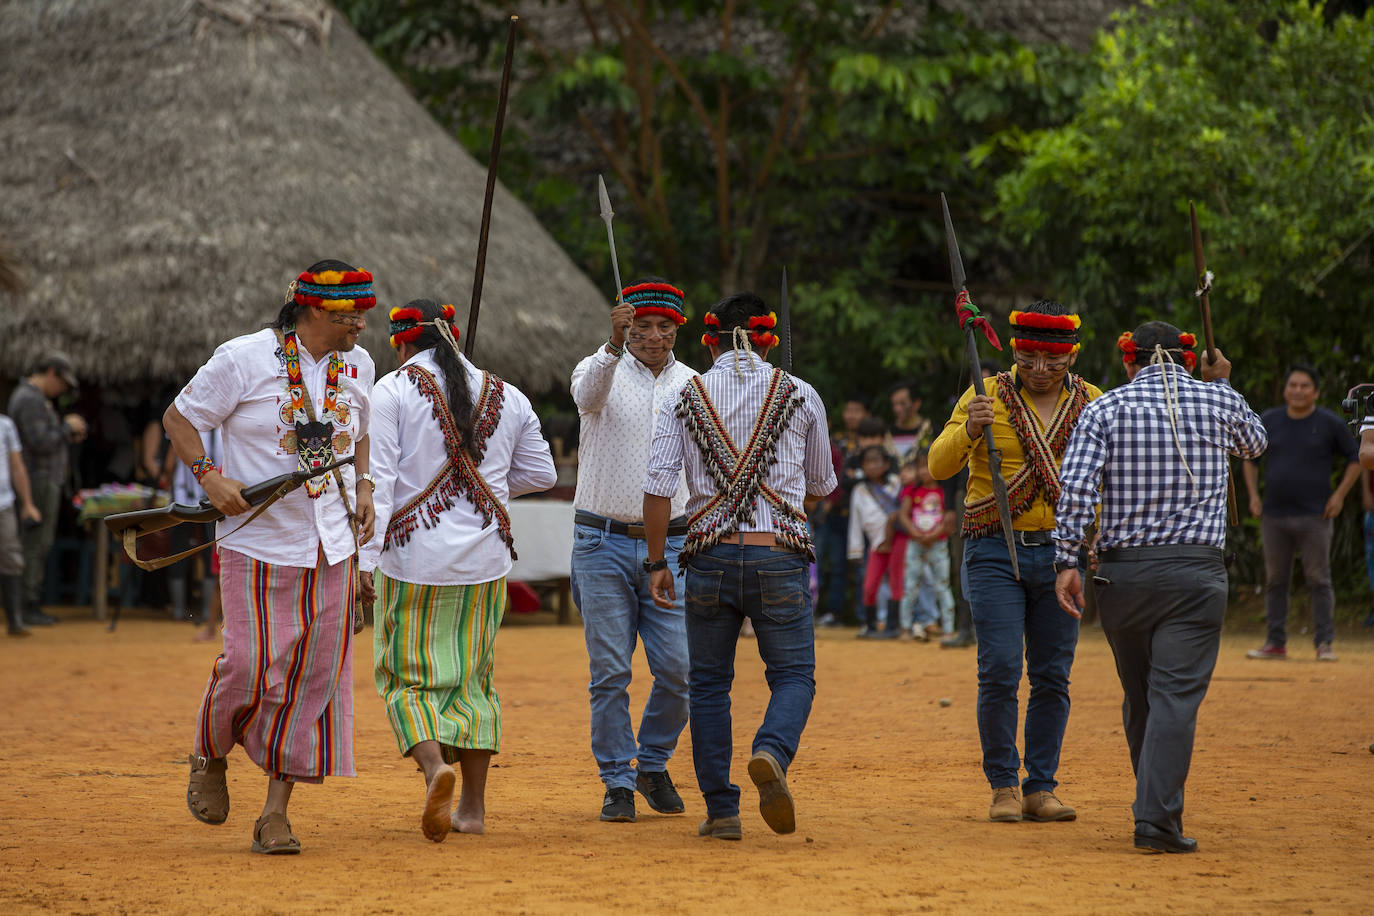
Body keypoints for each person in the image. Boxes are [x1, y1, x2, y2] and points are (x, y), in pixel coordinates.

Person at [164, 260, 376, 855]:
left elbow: (360, 433)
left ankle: (275, 814)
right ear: (312, 311)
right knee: (250, 666)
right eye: (349, 313)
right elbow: (178, 419)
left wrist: (364, 489)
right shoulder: (242, 358)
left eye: (363, 310)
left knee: (313, 681)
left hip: (333, 545)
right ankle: (210, 751)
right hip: (257, 542)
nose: (361, 321)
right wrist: (209, 477)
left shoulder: (359, 363)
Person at [1054, 323, 1267, 854]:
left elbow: (1076, 490)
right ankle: (1155, 818)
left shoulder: (1104, 409)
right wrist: (1224, 384)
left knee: (1142, 695)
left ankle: (1153, 807)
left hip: (1122, 577)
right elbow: (1257, 443)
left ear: (1131, 362)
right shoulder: (1215, 400)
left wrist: (1066, 560)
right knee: (1172, 698)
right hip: (1196, 576)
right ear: (1188, 361)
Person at [644, 292, 836, 841]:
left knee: (707, 685)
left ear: (710, 341)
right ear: (768, 339)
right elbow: (821, 486)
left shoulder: (686, 394)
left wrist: (658, 562)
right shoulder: (800, 395)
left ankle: (722, 811)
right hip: (778, 555)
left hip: (708, 557)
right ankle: (771, 750)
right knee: (794, 675)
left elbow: (657, 491)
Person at [363, 298, 556, 842]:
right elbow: (540, 473)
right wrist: (486, 486)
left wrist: (364, 565)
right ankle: (472, 808)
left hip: (412, 561)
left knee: (406, 678)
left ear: (400, 343)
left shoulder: (393, 390)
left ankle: (433, 769)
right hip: (487, 560)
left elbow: (374, 484)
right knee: (473, 682)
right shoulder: (507, 393)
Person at [929, 300, 1102, 824]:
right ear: (1014, 351)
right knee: (1000, 668)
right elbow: (939, 464)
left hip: (1061, 555)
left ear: (1071, 356)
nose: (1040, 370)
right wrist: (968, 430)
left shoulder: (1094, 401)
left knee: (1052, 675)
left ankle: (1040, 787)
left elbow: (1111, 475)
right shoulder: (984, 397)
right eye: (1028, 358)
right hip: (991, 550)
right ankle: (1003, 784)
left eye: (1053, 360)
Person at [569, 278, 699, 824]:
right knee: (610, 672)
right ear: (627, 327)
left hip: (672, 544)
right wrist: (612, 345)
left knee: (681, 669)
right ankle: (617, 780)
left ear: (676, 331)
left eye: (662, 329)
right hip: (600, 542)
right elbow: (585, 398)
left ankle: (651, 761)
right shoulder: (597, 367)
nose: (652, 337)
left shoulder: (696, 383)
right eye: (641, 327)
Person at [1242, 364, 1360, 661]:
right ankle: (1275, 643)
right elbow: (1250, 458)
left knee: (1319, 579)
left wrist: (1339, 496)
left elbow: (1356, 459)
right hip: (1274, 515)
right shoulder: (1269, 420)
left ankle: (1324, 644)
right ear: (1285, 389)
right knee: (1275, 580)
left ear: (1316, 392)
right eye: (1293, 385)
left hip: (1315, 516)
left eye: (1305, 386)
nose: (1298, 390)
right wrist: (1254, 496)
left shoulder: (1329, 423)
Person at [7, 353, 85, 626]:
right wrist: (66, 427)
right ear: (51, 372)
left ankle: (28, 603)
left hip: (42, 479)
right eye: (61, 382)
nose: (62, 389)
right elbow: (39, 441)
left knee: (39, 543)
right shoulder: (29, 399)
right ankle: (25, 605)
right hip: (37, 480)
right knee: (34, 543)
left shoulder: (35, 399)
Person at [941, 359, 999, 649]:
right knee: (963, 563)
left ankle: (999, 631)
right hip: (964, 501)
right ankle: (965, 627)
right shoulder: (963, 411)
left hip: (999, 498)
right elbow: (946, 464)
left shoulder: (1008, 410)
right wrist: (950, 508)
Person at [814, 396, 868, 627]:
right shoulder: (835, 443)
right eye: (849, 410)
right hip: (829, 515)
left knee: (852, 565)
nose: (852, 415)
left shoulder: (870, 443)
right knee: (827, 563)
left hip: (858, 515)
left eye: (857, 410)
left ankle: (859, 614)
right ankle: (830, 612)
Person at [847, 444, 905, 638]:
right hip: (876, 544)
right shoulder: (859, 490)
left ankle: (893, 626)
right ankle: (871, 625)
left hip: (897, 540)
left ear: (886, 464)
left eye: (876, 461)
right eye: (867, 462)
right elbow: (855, 523)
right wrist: (855, 550)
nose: (872, 466)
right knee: (869, 586)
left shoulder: (897, 483)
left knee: (897, 582)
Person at [898, 450, 955, 640]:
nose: (924, 471)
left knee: (942, 586)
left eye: (928, 466)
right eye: (920, 467)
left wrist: (934, 535)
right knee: (910, 586)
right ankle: (905, 628)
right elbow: (903, 515)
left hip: (937, 544)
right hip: (915, 544)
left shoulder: (943, 493)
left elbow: (948, 519)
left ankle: (948, 630)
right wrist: (915, 533)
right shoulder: (911, 492)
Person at [1, 413, 42, 636]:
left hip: (4, 503)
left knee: (11, 557)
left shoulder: (5, 425)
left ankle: (14, 620)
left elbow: (17, 466)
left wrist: (27, 503)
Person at [888, 381, 931, 460]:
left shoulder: (931, 430)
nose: (897, 409)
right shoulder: (887, 434)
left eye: (902, 403)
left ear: (916, 403)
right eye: (894, 404)